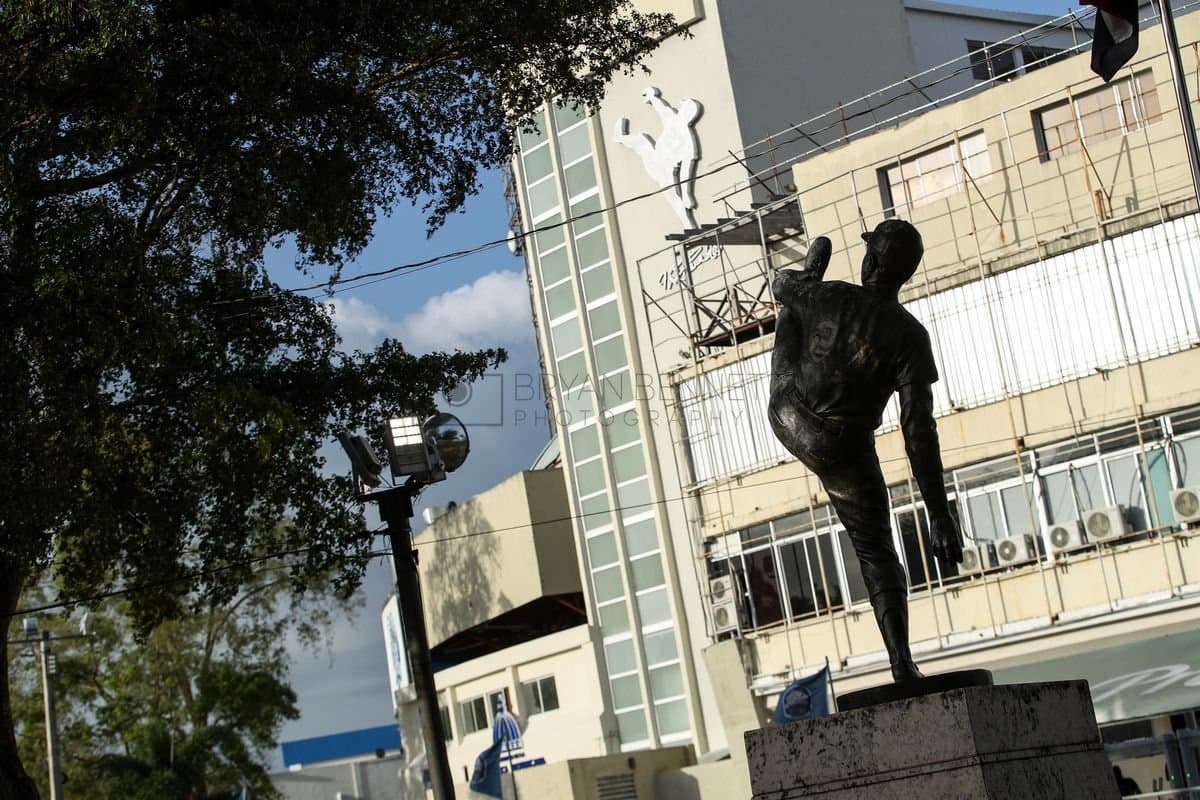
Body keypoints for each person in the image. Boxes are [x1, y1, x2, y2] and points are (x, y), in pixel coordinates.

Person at [768, 220, 962, 682]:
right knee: (876, 551)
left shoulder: (830, 294)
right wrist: (938, 514)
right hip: (841, 448)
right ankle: (901, 660)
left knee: (791, 309)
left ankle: (807, 277)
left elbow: (779, 283)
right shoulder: (911, 337)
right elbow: (918, 431)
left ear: (870, 260)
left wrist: (805, 282)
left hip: (787, 413)